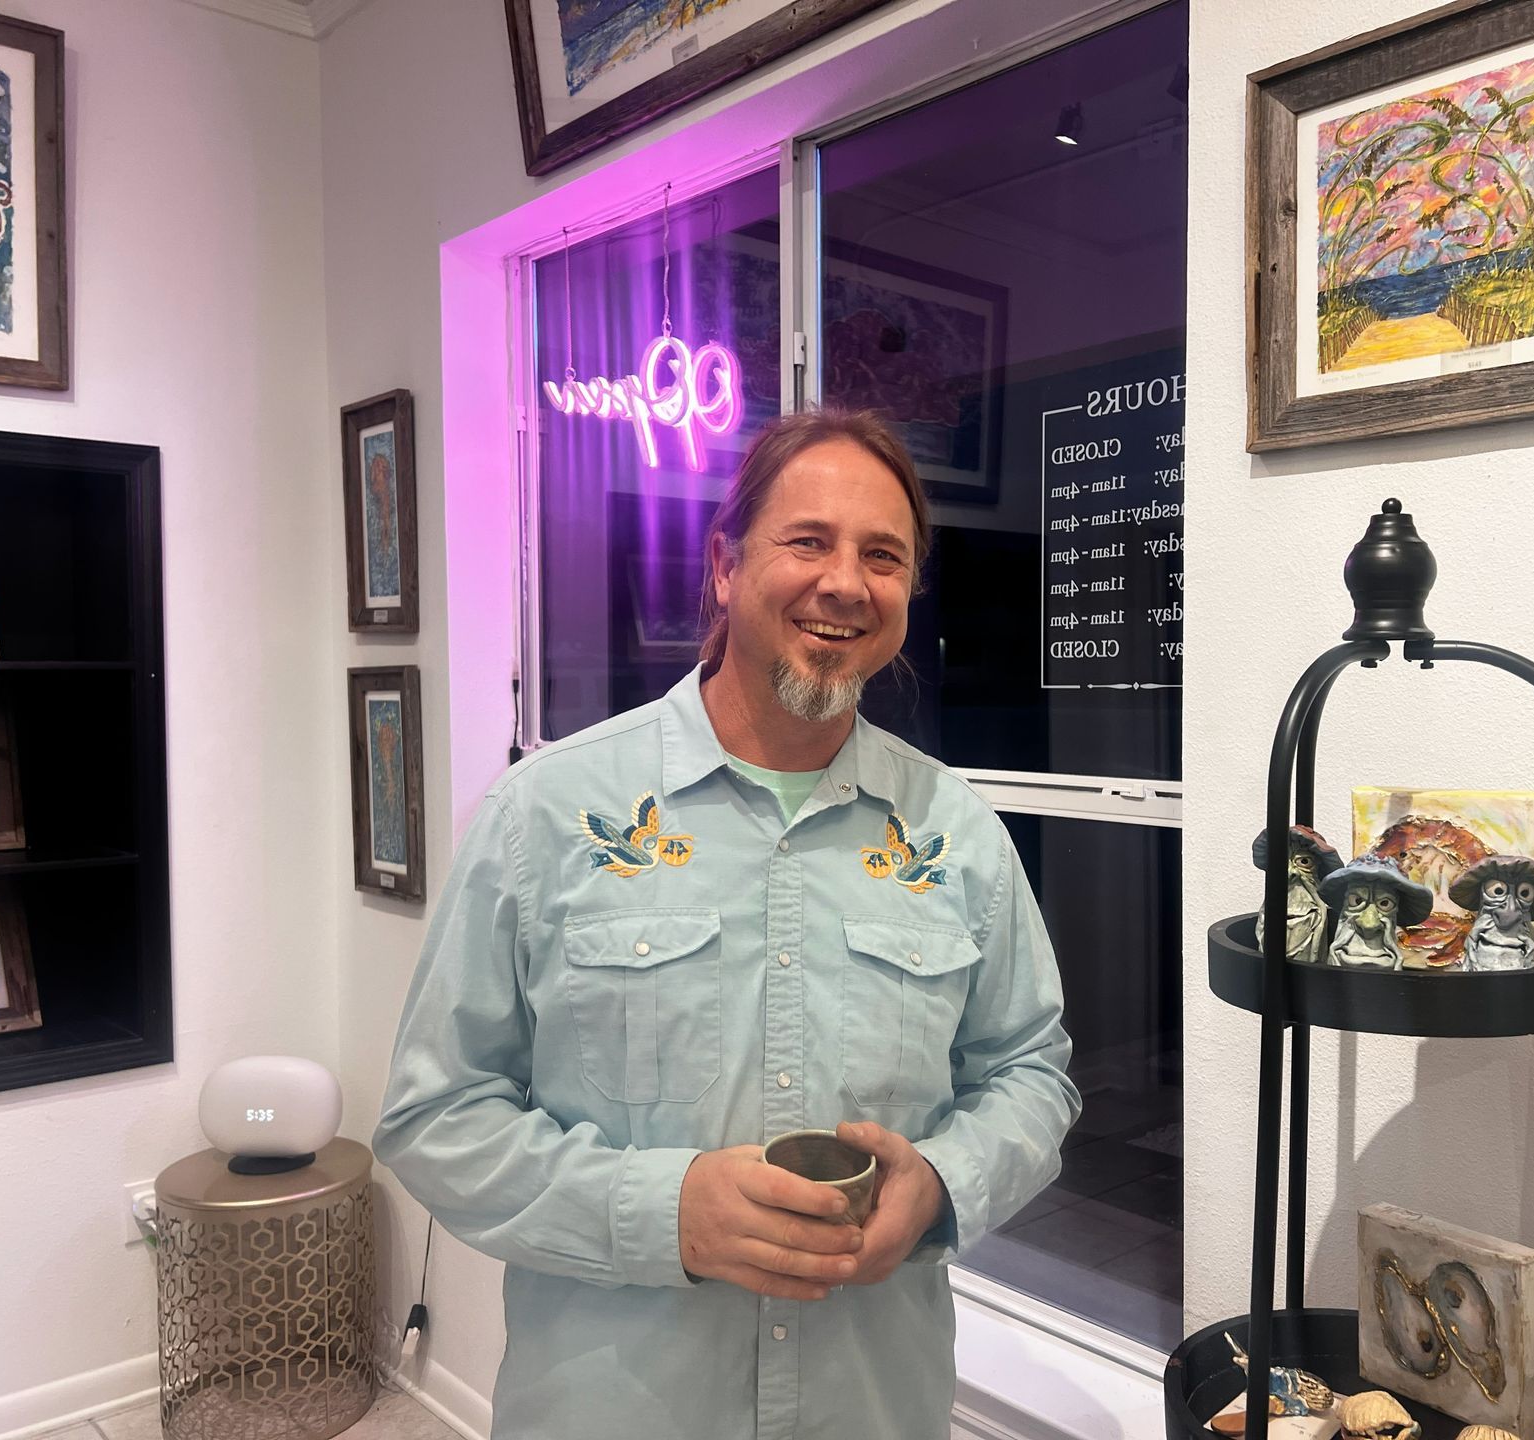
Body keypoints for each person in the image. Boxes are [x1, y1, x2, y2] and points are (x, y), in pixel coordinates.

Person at [373, 407, 1080, 1440]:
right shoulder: (549, 815)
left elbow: (1031, 1073)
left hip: (872, 1409)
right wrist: (663, 1214)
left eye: (883, 556)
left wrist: (941, 1185)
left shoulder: (955, 834)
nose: (846, 582)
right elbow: (436, 1115)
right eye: (809, 541)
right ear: (724, 565)